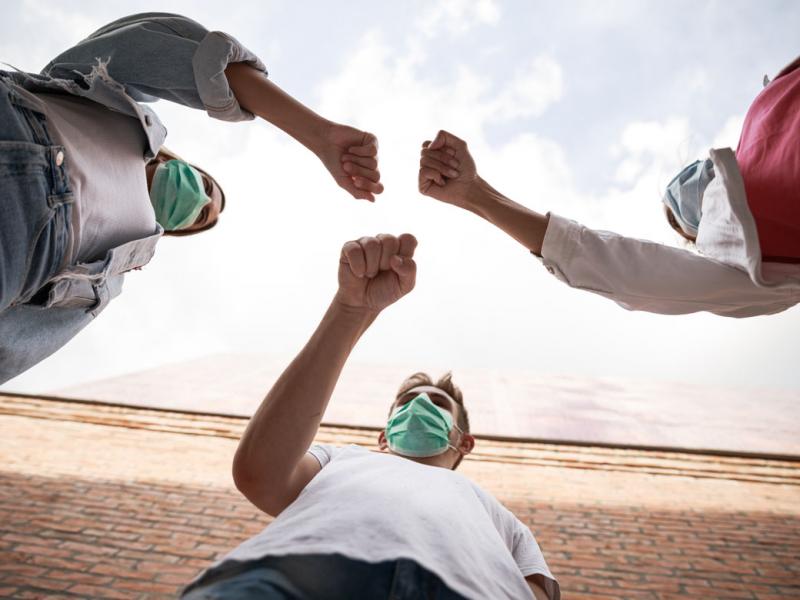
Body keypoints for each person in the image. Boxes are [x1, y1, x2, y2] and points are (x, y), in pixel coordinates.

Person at [0, 13, 383, 383]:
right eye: (208, 191)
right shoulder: (124, 115)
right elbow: (175, 48)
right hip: (18, 124)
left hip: (24, 254)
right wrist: (319, 135)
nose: (200, 203)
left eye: (201, 216)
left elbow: (17, 342)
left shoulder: (114, 275)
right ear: (187, 165)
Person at [181, 234, 560, 600]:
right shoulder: (339, 460)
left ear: (464, 441)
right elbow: (260, 475)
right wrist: (351, 309)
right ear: (384, 435)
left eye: (439, 404)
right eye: (407, 401)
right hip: (299, 576)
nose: (419, 406)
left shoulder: (502, 520)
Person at [417, 56, 800, 318]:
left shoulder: (770, 107)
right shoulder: (751, 261)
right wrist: (476, 194)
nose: (693, 184)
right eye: (685, 220)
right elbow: (620, 266)